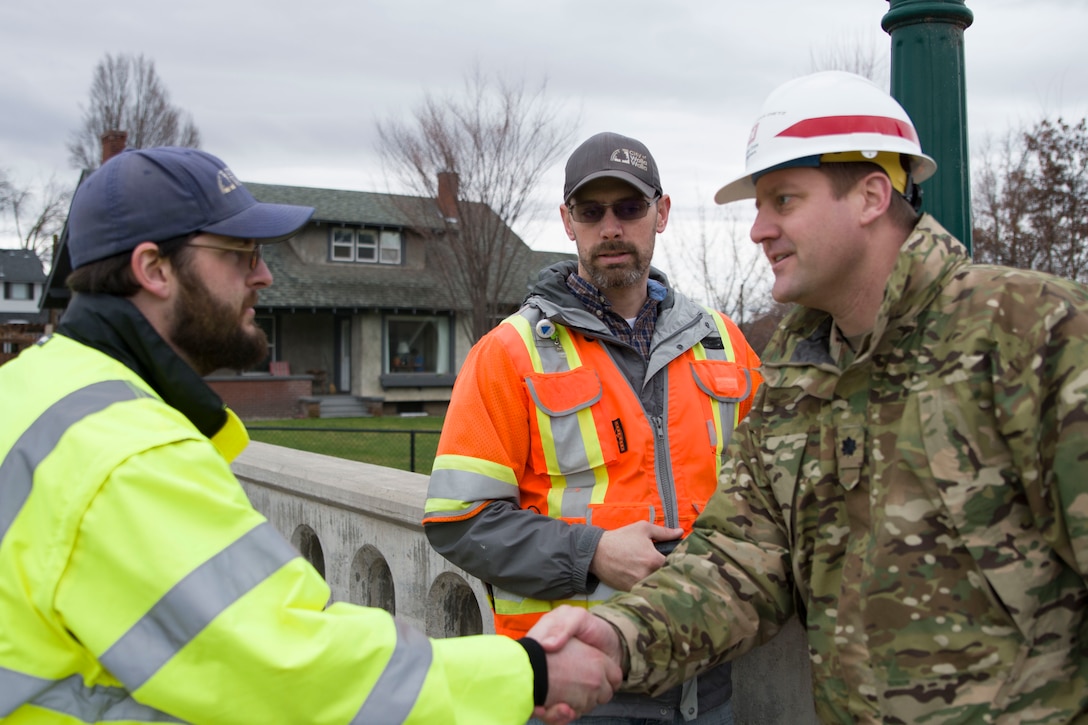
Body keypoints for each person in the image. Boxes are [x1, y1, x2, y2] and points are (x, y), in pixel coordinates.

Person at [531, 70, 1088, 723]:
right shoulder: (795, 379)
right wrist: (620, 639)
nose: (758, 230)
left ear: (872, 196)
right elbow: (738, 564)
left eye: (784, 200)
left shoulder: (1031, 332)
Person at [0, 146, 620, 724]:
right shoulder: (125, 453)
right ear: (154, 269)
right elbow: (286, 666)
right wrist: (527, 674)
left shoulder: (35, 391)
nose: (265, 276)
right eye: (242, 254)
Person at [423, 131, 763, 724]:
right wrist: (594, 552)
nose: (611, 227)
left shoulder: (724, 343)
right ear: (566, 220)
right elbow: (458, 522)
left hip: (705, 678)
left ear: (661, 214)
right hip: (576, 685)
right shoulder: (508, 354)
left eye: (629, 208)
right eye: (591, 211)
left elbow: (771, 499)